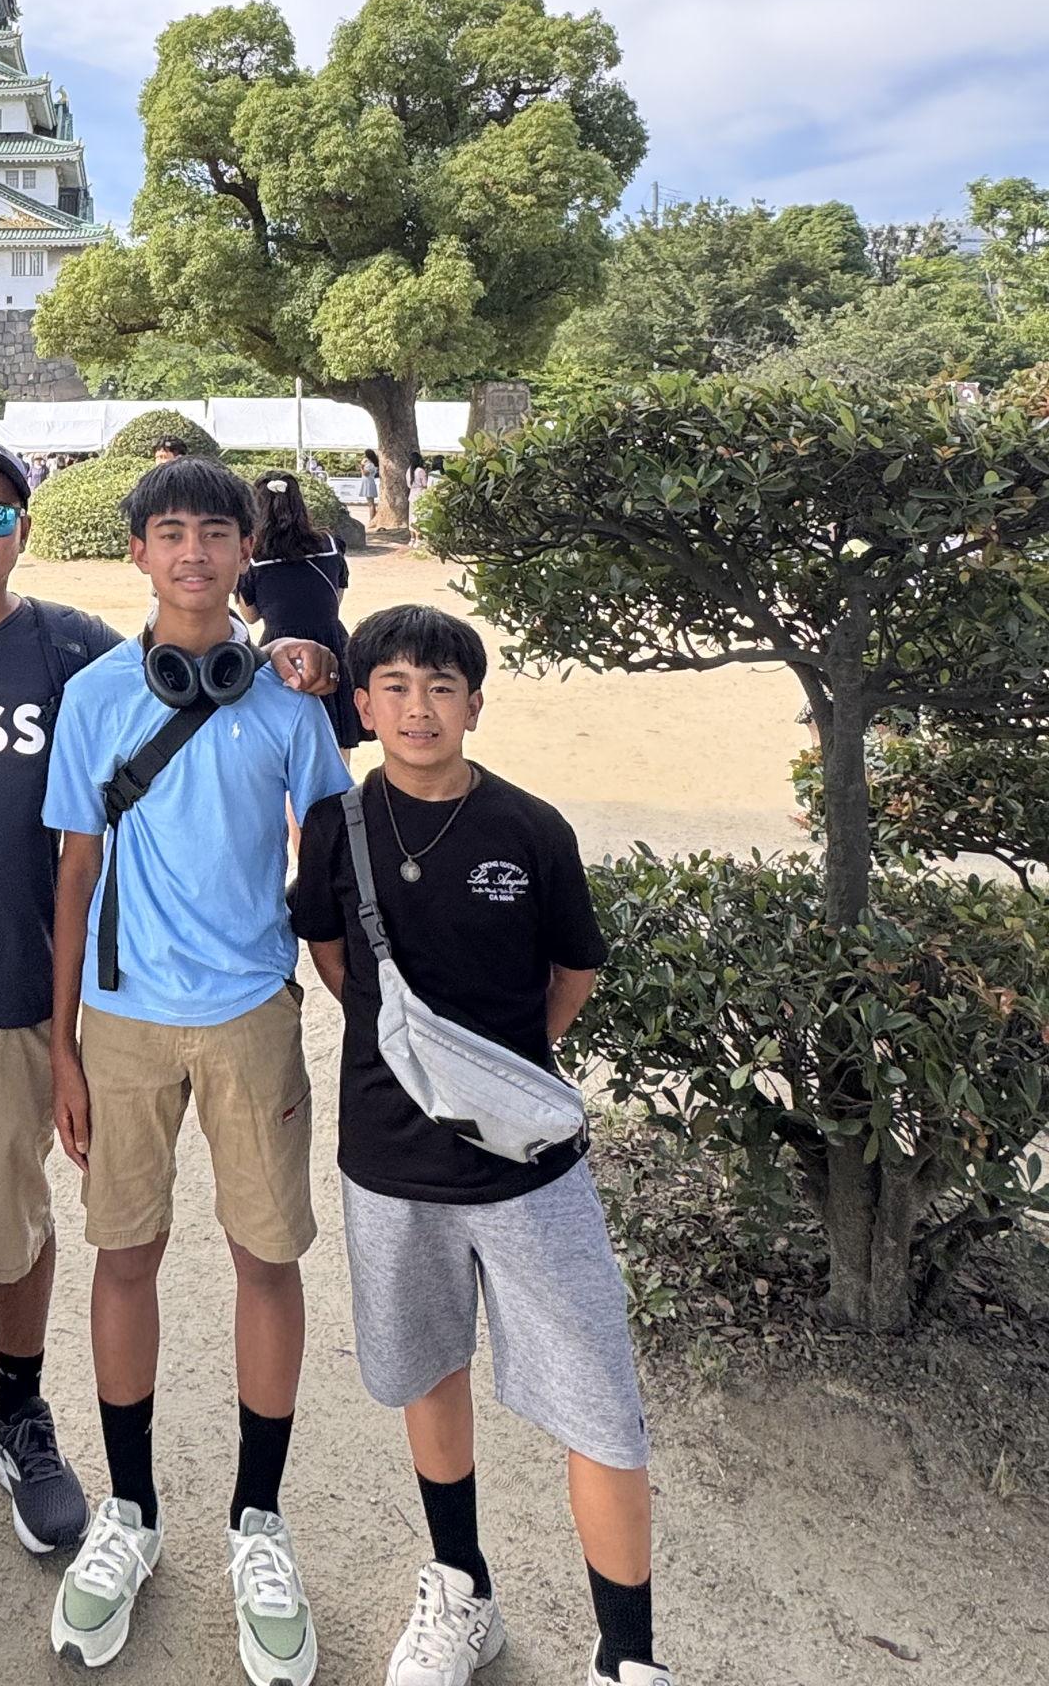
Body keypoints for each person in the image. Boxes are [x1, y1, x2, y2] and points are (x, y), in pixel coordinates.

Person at [0, 436, 339, 1594]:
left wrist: (292, 650)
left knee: (23, 1232)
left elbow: (191, 667)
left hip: (19, 1004)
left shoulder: (66, 648)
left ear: (25, 535)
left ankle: (18, 1414)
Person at [288, 605, 669, 1686]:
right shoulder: (334, 825)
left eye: (441, 686)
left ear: (474, 703)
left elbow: (570, 977)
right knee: (428, 1367)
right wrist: (417, 1063)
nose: (417, 706)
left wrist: (487, 1078)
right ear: (359, 704)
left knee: (597, 1397)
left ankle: (626, 1655)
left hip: (525, 1167)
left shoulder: (530, 827)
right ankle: (460, 1586)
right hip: (388, 1160)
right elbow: (329, 953)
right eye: (394, 685)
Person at [40, 457, 352, 1684]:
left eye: (213, 533)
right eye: (167, 533)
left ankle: (256, 1522)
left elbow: (323, 861)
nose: (191, 554)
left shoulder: (285, 701)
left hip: (249, 1018)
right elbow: (69, 871)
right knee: (124, 1252)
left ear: (244, 551)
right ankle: (128, 1508)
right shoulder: (94, 694)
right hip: (117, 1023)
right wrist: (57, 1039)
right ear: (136, 554)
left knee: (264, 1258)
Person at [239, 473, 361, 751]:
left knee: (284, 743)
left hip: (281, 653)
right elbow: (337, 597)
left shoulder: (255, 557)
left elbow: (250, 616)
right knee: (337, 736)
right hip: (332, 644)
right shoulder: (330, 545)